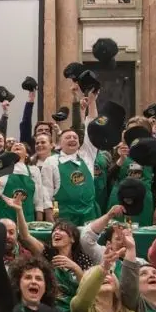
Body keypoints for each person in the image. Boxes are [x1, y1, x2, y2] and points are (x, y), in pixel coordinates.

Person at [41, 96, 101, 225]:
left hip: (89, 215)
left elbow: (91, 124)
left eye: (75, 137)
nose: (72, 139)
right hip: (63, 216)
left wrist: (92, 100)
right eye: (67, 137)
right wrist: (49, 214)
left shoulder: (87, 156)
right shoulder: (51, 161)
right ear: (59, 143)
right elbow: (46, 191)